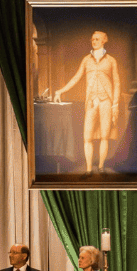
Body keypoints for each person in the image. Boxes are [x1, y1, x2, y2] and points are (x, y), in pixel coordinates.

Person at [53, 31, 121, 174]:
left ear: (104, 40)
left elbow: (117, 83)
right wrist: (60, 91)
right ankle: (89, 169)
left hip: (106, 102)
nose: (94, 41)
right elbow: (76, 78)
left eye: (97, 39)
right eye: (92, 39)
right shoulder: (86, 60)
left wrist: (115, 104)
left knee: (104, 136)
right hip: (90, 102)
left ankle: (101, 166)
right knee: (87, 137)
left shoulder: (111, 60)